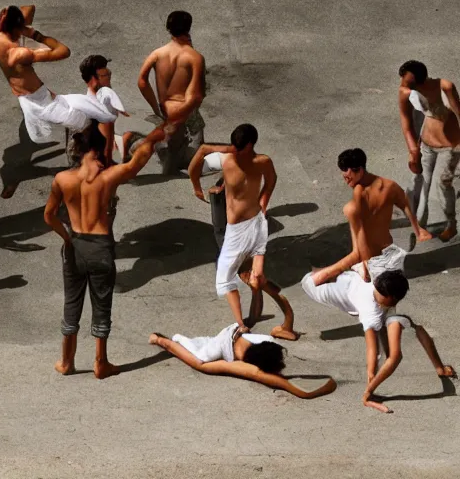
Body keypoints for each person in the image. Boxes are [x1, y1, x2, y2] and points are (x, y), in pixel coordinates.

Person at [44, 123, 166, 378]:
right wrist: (152, 138)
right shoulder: (107, 178)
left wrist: (67, 238)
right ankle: (101, 363)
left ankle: (66, 361)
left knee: (72, 303)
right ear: (98, 151)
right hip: (100, 248)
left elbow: (49, 216)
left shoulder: (62, 179)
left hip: (75, 244)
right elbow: (136, 164)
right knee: (102, 305)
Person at [302, 269, 456, 413]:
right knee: (394, 352)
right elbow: (372, 349)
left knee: (410, 328)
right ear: (391, 298)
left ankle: (439, 368)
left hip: (325, 277)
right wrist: (371, 381)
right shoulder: (370, 312)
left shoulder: (378, 281)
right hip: (314, 286)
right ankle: (368, 394)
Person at [0, 6, 121, 168]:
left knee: (84, 107)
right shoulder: (21, 54)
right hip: (43, 104)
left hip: (32, 96)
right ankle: (82, 157)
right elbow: (64, 51)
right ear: (17, 29)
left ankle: (87, 153)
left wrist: (11, 18)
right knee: (94, 121)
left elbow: (29, 8)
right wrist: (34, 34)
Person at [189, 146, 299, 341]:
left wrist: (198, 185)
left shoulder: (226, 160)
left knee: (247, 276)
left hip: (235, 230)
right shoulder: (255, 162)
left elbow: (196, 163)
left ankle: (252, 322)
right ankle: (259, 317)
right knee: (251, 276)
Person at [311, 148, 432, 287]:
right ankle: (328, 273)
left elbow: (360, 240)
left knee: (351, 213)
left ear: (359, 170)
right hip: (388, 250)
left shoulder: (360, 193)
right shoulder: (390, 185)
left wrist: (367, 264)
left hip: (375, 260)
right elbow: (406, 206)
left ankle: (322, 276)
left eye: (348, 178)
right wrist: (418, 230)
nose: (346, 181)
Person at [207, 124, 283, 337]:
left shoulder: (261, 162)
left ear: (249, 146)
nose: (235, 151)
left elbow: (269, 181)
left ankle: (242, 321)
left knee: (229, 271)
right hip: (234, 222)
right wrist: (221, 186)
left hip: (243, 226)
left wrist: (264, 203)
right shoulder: (231, 159)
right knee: (246, 268)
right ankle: (257, 293)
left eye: (239, 148)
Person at [148, 328, 336, 399]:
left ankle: (168, 340)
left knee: (204, 342)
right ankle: (165, 341)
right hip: (221, 346)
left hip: (229, 332)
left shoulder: (268, 340)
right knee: (199, 361)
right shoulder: (243, 357)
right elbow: (263, 375)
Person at [130, 10, 206, 173]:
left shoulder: (157, 53)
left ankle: (152, 145)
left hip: (165, 106)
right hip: (185, 109)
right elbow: (197, 95)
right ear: (188, 28)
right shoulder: (195, 57)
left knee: (174, 141)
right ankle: (151, 147)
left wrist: (156, 108)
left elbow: (142, 81)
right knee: (194, 154)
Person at [399, 60, 460, 242]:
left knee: (443, 184)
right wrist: (413, 150)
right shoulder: (406, 92)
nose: (403, 86)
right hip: (426, 144)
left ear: (420, 81)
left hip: (450, 146)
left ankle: (451, 224)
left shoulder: (445, 87)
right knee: (422, 183)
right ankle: (420, 226)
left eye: (408, 82)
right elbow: (406, 123)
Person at [66, 55, 129, 169]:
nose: (109, 76)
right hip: (91, 166)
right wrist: (109, 166)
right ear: (94, 80)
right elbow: (107, 146)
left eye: (108, 73)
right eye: (105, 75)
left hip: (78, 160)